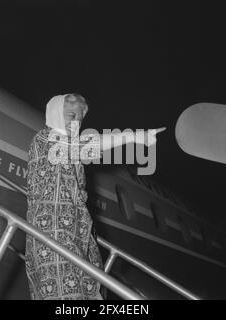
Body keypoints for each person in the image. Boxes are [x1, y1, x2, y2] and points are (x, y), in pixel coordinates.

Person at [25, 93, 164, 300]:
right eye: (70, 112)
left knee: (91, 292)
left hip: (79, 232)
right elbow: (86, 146)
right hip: (52, 233)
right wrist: (134, 137)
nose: (76, 119)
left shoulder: (73, 151)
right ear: (54, 111)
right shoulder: (45, 139)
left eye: (79, 117)